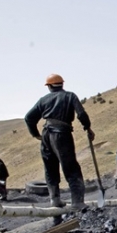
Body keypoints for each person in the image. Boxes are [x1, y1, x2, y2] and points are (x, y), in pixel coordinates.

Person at [24, 74, 95, 210]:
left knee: (50, 167)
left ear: (49, 86)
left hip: (46, 134)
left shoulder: (43, 100)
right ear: (62, 84)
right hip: (62, 134)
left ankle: (55, 200)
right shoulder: (70, 96)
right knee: (71, 167)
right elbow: (82, 114)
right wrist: (88, 128)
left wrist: (35, 134)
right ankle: (77, 202)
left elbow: (28, 118)